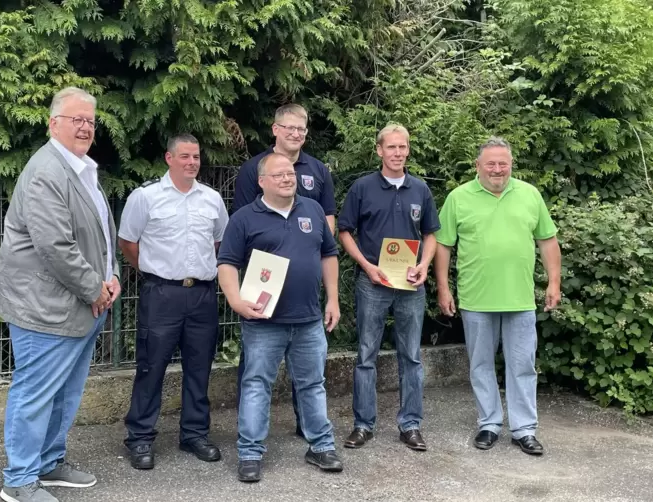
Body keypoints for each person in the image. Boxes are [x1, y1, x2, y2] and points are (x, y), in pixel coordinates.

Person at [0, 87, 120, 502]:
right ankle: (20, 479)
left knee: (65, 391)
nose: (84, 127)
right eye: (76, 119)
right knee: (36, 393)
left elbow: (101, 235)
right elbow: (56, 246)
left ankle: (49, 461)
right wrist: (94, 287)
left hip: (81, 302)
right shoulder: (47, 171)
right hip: (44, 308)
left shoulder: (81, 169)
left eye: (90, 121)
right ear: (53, 123)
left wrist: (111, 274)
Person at [217, 152, 343, 483]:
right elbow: (227, 264)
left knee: (313, 384)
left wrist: (333, 299)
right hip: (262, 323)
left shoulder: (313, 210)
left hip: (309, 320)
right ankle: (250, 453)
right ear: (261, 182)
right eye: (279, 175)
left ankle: (321, 446)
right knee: (257, 385)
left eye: (291, 173)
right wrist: (236, 301)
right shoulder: (244, 218)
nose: (289, 178)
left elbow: (328, 254)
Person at [434, 136, 561, 456]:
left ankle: (524, 429)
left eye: (503, 163)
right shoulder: (458, 197)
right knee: (480, 365)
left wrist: (554, 282)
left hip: (519, 299)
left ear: (511, 164)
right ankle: (489, 423)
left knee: (523, 366)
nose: (497, 169)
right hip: (476, 299)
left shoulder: (530, 195)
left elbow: (547, 242)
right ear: (477, 166)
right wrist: (444, 287)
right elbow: (443, 246)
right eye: (490, 163)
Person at [118, 134, 229, 470]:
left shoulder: (211, 198)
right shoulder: (146, 197)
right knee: (151, 367)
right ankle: (140, 437)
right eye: (184, 156)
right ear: (169, 158)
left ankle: (194, 434)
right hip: (162, 294)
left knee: (199, 367)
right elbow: (127, 242)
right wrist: (155, 273)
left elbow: (220, 241)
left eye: (196, 156)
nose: (192, 163)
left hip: (202, 295)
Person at [232, 103, 337, 438]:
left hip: (305, 303)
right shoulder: (253, 169)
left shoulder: (318, 170)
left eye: (301, 129)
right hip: (263, 297)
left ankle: (308, 432)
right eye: (288, 128)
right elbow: (245, 227)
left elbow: (327, 227)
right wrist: (241, 295)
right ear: (275, 129)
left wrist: (325, 285)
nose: (295, 134)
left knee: (310, 379)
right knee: (255, 378)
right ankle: (250, 440)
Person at [337, 124, 440, 452]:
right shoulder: (362, 188)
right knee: (366, 355)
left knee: (411, 356)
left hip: (410, 285)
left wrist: (424, 266)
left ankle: (411, 425)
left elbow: (431, 235)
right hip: (373, 283)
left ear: (408, 150)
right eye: (391, 147)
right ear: (379, 150)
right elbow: (344, 231)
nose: (398, 153)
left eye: (403, 147)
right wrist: (367, 266)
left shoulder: (420, 189)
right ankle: (363, 425)